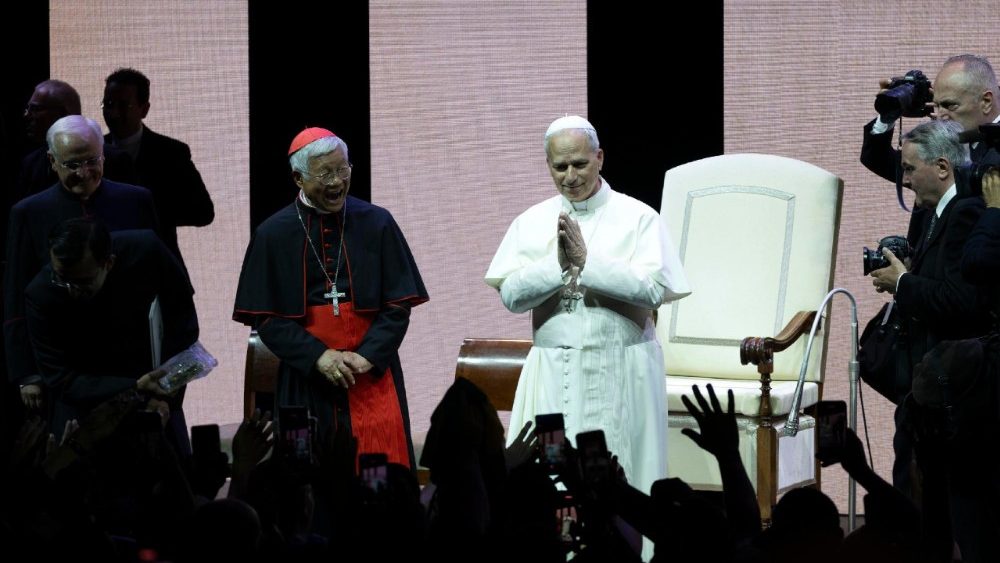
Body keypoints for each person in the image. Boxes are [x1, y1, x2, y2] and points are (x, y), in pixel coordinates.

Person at [484, 115, 691, 503]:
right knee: (550, 486)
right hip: (553, 374)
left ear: (599, 158)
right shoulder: (530, 221)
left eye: (579, 164)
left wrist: (587, 263)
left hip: (623, 374)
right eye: (559, 167)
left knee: (625, 482)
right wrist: (557, 266)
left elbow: (652, 290)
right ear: (548, 165)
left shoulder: (638, 217)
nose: (570, 176)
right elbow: (511, 295)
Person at [232, 127, 427, 469]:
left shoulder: (377, 222)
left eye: (342, 169)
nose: (337, 182)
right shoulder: (272, 234)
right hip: (307, 378)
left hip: (370, 379)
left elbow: (398, 304)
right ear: (298, 178)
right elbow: (266, 318)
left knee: (377, 479)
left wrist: (367, 357)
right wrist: (318, 356)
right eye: (325, 174)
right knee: (308, 479)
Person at [868, 119, 993, 561]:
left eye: (908, 168)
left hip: (950, 397)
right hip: (926, 389)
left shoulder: (967, 214)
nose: (902, 178)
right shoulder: (934, 213)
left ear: (942, 167)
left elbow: (962, 301)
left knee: (940, 513)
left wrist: (903, 284)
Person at [5, 115, 160, 412]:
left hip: (132, 351)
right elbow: (15, 294)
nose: (85, 172)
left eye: (92, 161)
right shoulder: (29, 212)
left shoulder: (137, 201)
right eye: (72, 165)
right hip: (68, 359)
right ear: (52, 161)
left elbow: (161, 275)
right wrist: (27, 374)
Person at [24, 218, 197, 449]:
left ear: (109, 263)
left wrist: (164, 393)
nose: (71, 291)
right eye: (60, 279)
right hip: (85, 407)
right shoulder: (41, 294)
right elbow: (61, 379)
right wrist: (135, 386)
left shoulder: (147, 251)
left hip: (155, 394)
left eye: (82, 282)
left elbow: (184, 328)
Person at [861, 54, 1000, 245]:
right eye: (936, 105)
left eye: (949, 105)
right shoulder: (951, 139)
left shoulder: (994, 151)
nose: (941, 116)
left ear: (986, 102)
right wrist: (889, 114)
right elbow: (879, 159)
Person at [102, 67, 214, 267]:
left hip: (158, 265)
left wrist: (147, 212)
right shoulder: (93, 152)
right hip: (105, 267)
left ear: (144, 109)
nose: (114, 113)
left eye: (123, 106)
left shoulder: (172, 152)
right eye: (108, 104)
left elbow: (203, 212)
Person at [16, 79, 135, 203]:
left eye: (36, 109)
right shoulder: (31, 163)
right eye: (28, 109)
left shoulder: (116, 161)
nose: (27, 115)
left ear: (63, 113)